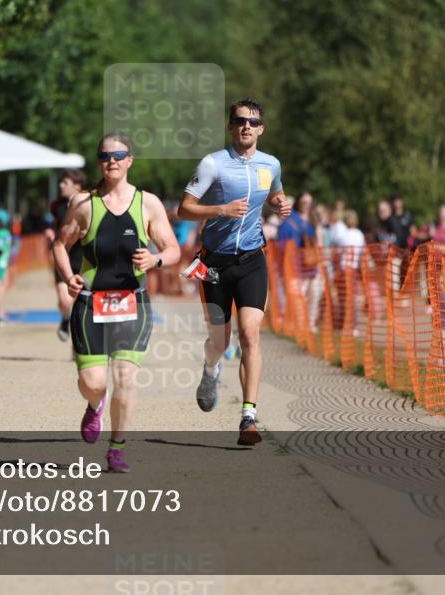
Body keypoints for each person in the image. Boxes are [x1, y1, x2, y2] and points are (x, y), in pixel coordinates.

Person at [52, 133, 180, 472]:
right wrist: (69, 278)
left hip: (132, 303)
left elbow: (173, 249)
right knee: (93, 383)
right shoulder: (83, 204)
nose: (113, 160)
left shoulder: (147, 203)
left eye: (119, 155)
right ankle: (95, 406)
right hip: (90, 304)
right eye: (106, 156)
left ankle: (117, 448)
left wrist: (156, 261)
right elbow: (59, 245)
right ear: (99, 162)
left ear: (130, 160)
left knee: (126, 377)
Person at [177, 98, 291, 446]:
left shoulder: (271, 164)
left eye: (252, 122)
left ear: (261, 129)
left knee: (250, 334)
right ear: (230, 126)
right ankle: (211, 370)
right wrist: (221, 209)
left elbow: (275, 192)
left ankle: (249, 416)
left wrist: (279, 203)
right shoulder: (213, 164)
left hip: (252, 260)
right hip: (214, 264)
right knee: (219, 341)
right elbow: (184, 209)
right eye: (240, 120)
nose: (246, 126)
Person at [45, 169, 88, 341]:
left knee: (82, 303)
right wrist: (49, 231)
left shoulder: (89, 204)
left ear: (77, 186)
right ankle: (65, 319)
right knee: (65, 300)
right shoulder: (57, 206)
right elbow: (51, 224)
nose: (60, 186)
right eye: (61, 182)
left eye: (65, 183)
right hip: (63, 258)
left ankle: (78, 342)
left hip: (83, 258)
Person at [277, 191, 323, 332]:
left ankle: (310, 324)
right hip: (296, 266)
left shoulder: (314, 220)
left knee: (314, 295)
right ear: (298, 203)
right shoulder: (290, 220)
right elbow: (281, 244)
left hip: (312, 265)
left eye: (309, 203)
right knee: (299, 297)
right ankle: (300, 325)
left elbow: (319, 243)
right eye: (304, 202)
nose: (306, 205)